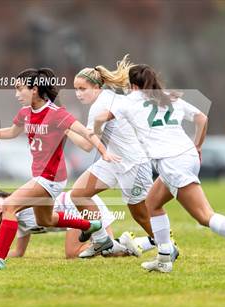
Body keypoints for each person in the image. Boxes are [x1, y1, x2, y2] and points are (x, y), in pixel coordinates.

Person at [95, 63, 225, 273]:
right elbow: (202, 119)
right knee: (153, 202)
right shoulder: (169, 97)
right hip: (188, 155)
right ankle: (163, 258)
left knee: (204, 216)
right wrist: (198, 145)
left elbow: (100, 118)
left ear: (134, 86)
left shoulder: (130, 100)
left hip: (171, 162)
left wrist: (98, 136)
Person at [0, 68, 119, 269]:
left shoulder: (56, 114)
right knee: (46, 220)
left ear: (34, 89)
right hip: (41, 177)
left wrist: (103, 152)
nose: (17, 95)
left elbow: (87, 134)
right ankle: (90, 225)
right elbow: (11, 132)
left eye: (19, 89)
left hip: (50, 178)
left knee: (9, 206)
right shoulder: (25, 113)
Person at [70, 56, 178, 260]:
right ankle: (102, 239)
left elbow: (86, 146)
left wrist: (65, 129)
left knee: (141, 215)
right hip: (112, 161)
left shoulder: (98, 108)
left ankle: (169, 247)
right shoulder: (110, 96)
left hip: (133, 165)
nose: (78, 94)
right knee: (78, 194)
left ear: (96, 86)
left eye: (82, 88)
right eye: (75, 89)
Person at [0, 189, 149, 258]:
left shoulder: (17, 205)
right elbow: (19, 252)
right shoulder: (16, 220)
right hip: (83, 204)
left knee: (72, 253)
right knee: (108, 252)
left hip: (76, 206)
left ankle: (120, 242)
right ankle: (147, 242)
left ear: (6, 197)